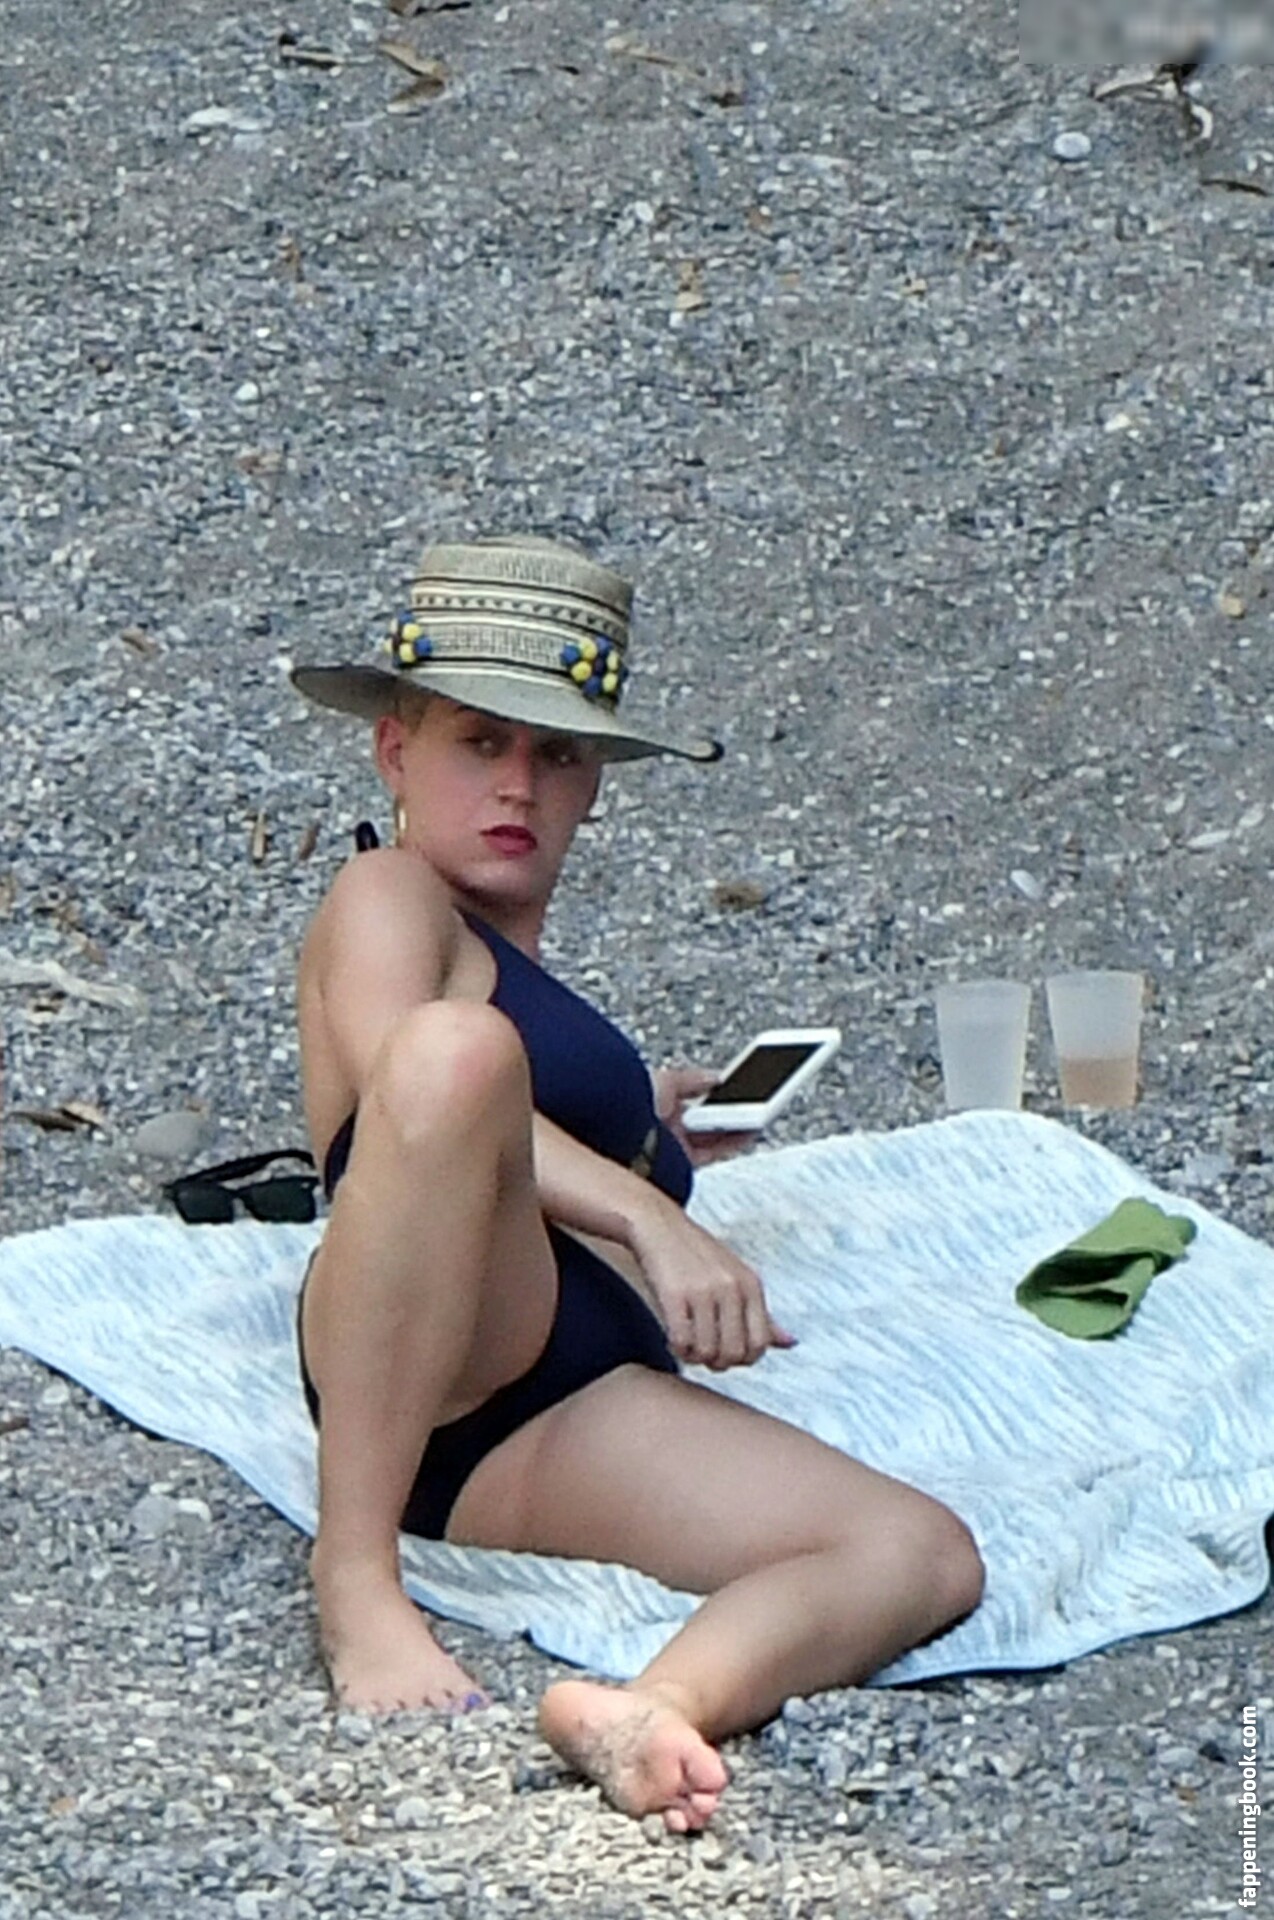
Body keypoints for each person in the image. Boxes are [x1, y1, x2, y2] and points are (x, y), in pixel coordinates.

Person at [288, 535, 984, 1834]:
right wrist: (648, 1214)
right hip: (428, 1363)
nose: (519, 783)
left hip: (563, 1404)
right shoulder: (385, 893)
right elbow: (410, 1085)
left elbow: (527, 1135)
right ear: (394, 751)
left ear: (595, 785)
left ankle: (648, 1710)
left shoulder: (512, 969)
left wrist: (649, 1136)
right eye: (478, 743)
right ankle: (356, 1573)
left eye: (557, 754)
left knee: (916, 1551)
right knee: (452, 1056)